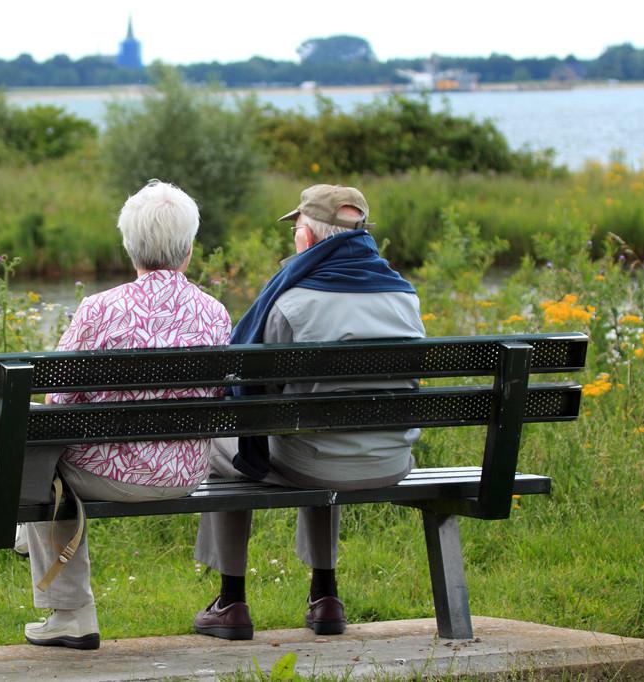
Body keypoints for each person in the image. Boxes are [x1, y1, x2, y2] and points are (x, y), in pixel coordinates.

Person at [192, 184, 425, 640]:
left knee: (230, 444)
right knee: (323, 429)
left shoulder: (291, 302)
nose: (294, 236)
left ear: (312, 238)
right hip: (390, 459)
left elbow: (250, 389)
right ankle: (325, 595)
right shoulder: (405, 297)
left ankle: (231, 600)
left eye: (297, 227)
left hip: (314, 461)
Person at [24, 180, 232, 649]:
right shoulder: (214, 312)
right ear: (190, 249)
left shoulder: (99, 309)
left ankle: (72, 614)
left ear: (129, 247)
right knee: (48, 463)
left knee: (41, 463)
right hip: (185, 472)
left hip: (110, 475)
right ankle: (31, 544)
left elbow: (58, 400)